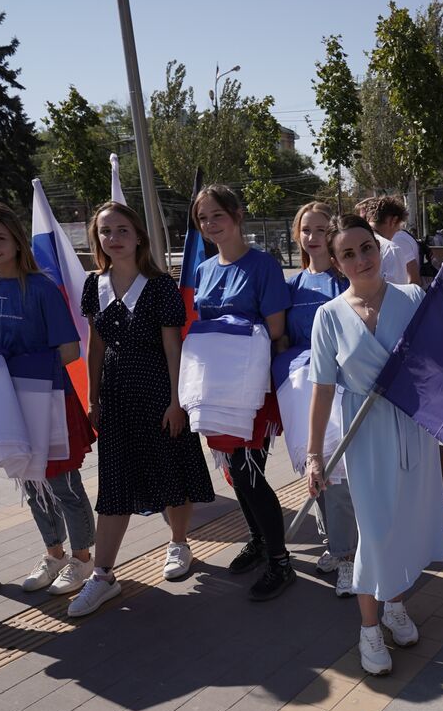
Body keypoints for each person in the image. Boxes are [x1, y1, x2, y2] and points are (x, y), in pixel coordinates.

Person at [306, 214, 443, 676]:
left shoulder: (413, 299)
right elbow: (322, 388)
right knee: (374, 530)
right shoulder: (327, 316)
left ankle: (394, 606)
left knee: (404, 523)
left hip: (412, 430)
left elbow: (442, 364)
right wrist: (314, 455)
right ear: (335, 261)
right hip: (363, 437)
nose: (361, 259)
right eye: (348, 253)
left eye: (366, 247)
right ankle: (369, 629)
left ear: (378, 248)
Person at [71, 201, 215, 617]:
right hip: (114, 394)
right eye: (104, 231)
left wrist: (176, 401)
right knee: (114, 483)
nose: (112, 238)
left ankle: (179, 543)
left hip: (157, 390)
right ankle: (102, 575)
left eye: (121, 230)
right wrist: (93, 399)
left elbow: (174, 346)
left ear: (138, 236)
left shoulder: (160, 286)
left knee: (170, 470)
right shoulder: (92, 285)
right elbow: (95, 347)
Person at [0, 201, 96, 597]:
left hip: (48, 402)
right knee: (29, 481)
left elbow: (70, 350)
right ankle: (53, 552)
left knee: (63, 483)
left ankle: (83, 558)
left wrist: (15, 365)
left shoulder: (40, 288)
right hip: (7, 407)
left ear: (17, 240)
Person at [192, 185, 295, 600]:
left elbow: (275, 330)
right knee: (235, 473)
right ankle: (258, 542)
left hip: (252, 388)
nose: (210, 224)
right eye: (202, 218)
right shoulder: (203, 269)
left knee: (250, 475)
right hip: (216, 386)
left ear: (237, 215)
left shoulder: (264, 265)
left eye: (217, 215)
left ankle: (280, 561)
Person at [284, 202, 358, 597]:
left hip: (341, 390)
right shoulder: (291, 288)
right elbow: (282, 340)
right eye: (305, 230)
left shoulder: (343, 281)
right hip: (303, 393)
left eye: (319, 230)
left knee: (341, 475)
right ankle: (336, 543)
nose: (312, 237)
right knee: (318, 475)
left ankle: (347, 557)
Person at [362, 195, 420, 284]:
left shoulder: (352, 242)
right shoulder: (391, 249)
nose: (397, 231)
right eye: (398, 227)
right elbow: (398, 293)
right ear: (393, 221)